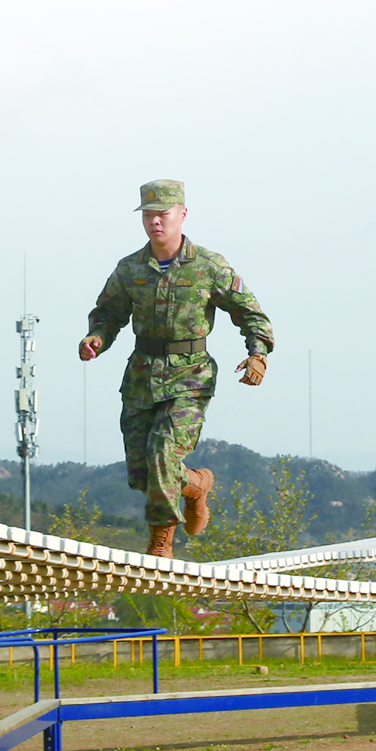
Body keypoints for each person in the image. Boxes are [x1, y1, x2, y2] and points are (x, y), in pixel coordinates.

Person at [80, 179, 274, 557]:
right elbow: (107, 314)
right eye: (149, 215)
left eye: (163, 214)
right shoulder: (129, 269)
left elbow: (250, 312)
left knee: (162, 454)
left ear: (181, 215)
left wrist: (258, 352)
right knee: (142, 473)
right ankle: (196, 485)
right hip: (141, 375)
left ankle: (161, 541)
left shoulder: (208, 266)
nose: (155, 222)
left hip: (190, 376)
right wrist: (96, 338)